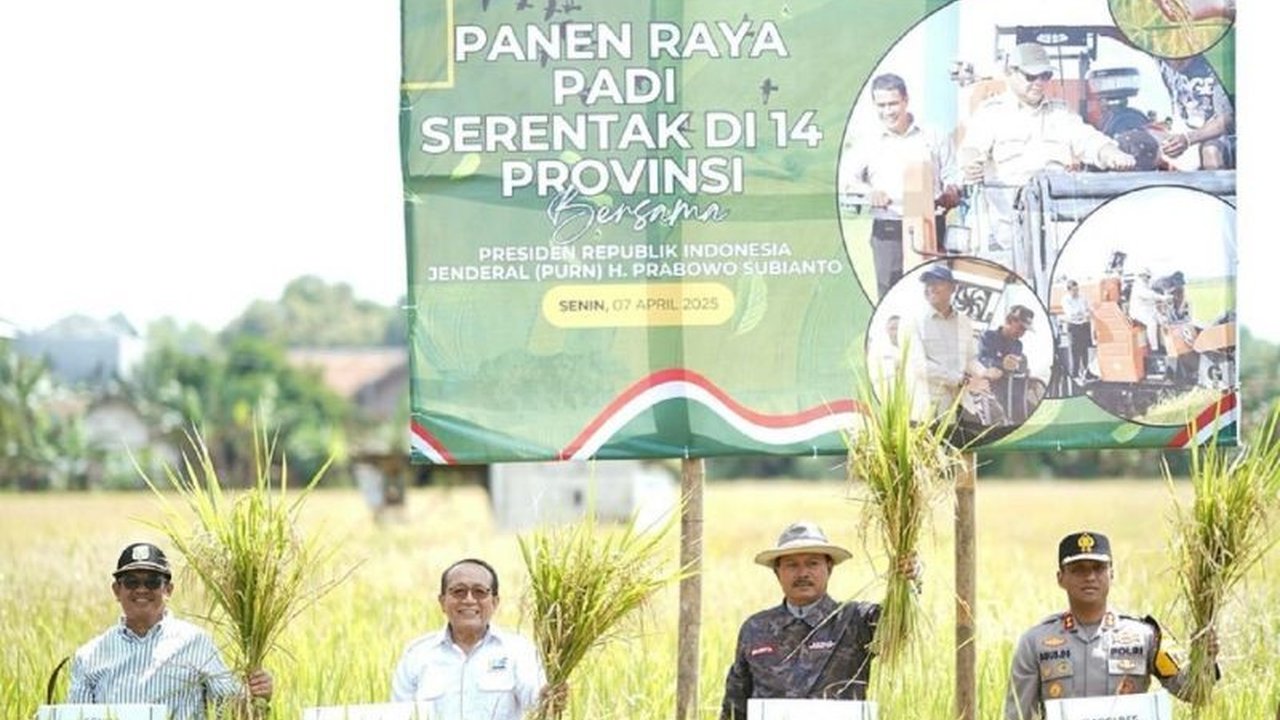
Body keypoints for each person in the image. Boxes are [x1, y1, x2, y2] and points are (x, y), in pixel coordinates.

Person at [1005, 531, 1219, 720]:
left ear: (1112, 574)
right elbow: (1018, 715)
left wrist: (1205, 658)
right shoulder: (1035, 642)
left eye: (1098, 568)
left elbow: (1192, 693)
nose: (1089, 577)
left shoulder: (1145, 636)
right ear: (1061, 578)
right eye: (1078, 569)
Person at [959, 43, 1135, 264]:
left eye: (1045, 75)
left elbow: (1089, 140)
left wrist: (1110, 153)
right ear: (1010, 72)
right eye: (1032, 75)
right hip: (1007, 236)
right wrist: (970, 164)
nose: (1039, 82)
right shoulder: (990, 114)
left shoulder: (1060, 114)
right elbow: (971, 149)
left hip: (1059, 230)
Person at [720, 522, 915, 720]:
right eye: (792, 565)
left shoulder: (855, 621)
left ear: (829, 568)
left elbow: (897, 626)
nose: (803, 573)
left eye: (812, 563)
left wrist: (906, 583)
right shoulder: (755, 628)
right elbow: (734, 706)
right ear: (777, 572)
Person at [68, 542, 273, 719]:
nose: (141, 589)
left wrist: (256, 695)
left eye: (152, 582)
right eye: (131, 582)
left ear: (168, 590)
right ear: (116, 590)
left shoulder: (196, 643)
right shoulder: (89, 656)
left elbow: (231, 714)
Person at [841, 73, 961, 298]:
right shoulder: (867, 141)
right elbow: (848, 181)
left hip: (931, 225)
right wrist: (871, 193)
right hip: (888, 228)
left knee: (936, 293)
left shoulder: (933, 135)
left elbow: (952, 174)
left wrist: (951, 192)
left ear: (906, 100)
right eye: (881, 105)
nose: (888, 111)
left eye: (893, 103)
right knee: (890, 295)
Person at [392, 557, 558, 720]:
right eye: (459, 591)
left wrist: (550, 696)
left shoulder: (518, 650)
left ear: (494, 602)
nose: (469, 600)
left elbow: (537, 698)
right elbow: (399, 714)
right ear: (442, 602)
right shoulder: (416, 654)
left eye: (479, 592)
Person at [906, 265, 981, 418]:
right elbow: (919, 366)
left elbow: (970, 359)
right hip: (931, 409)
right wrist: (959, 379)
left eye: (937, 283)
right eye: (928, 284)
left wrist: (985, 373)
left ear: (953, 288)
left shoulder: (964, 322)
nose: (931, 288)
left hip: (962, 405)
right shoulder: (914, 322)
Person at [1157, 55, 1234, 170]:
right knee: (1137, 142)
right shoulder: (1163, 57)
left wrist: (1188, 139)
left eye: (1181, 57)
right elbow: (1129, 39)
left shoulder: (1215, 64)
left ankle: (1215, 187)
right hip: (1181, 131)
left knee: (1211, 151)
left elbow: (1228, 119)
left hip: (1215, 133)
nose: (1173, 62)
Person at [975, 305, 1035, 425]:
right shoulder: (988, 337)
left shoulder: (1018, 345)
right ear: (1008, 321)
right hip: (991, 390)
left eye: (1025, 330)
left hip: (1013, 391)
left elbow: (1016, 367)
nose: (1022, 333)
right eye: (1020, 328)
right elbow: (982, 360)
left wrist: (1024, 373)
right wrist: (1000, 364)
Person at [1060, 280, 1092, 380]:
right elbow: (1071, 314)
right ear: (1069, 290)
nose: (1076, 292)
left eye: (1077, 290)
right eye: (1074, 290)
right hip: (1073, 327)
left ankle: (1087, 372)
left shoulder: (1082, 298)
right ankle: (1075, 374)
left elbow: (1087, 310)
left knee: (1085, 351)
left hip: (1083, 325)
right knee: (1075, 351)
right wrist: (1081, 314)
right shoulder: (1066, 300)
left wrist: (1082, 314)